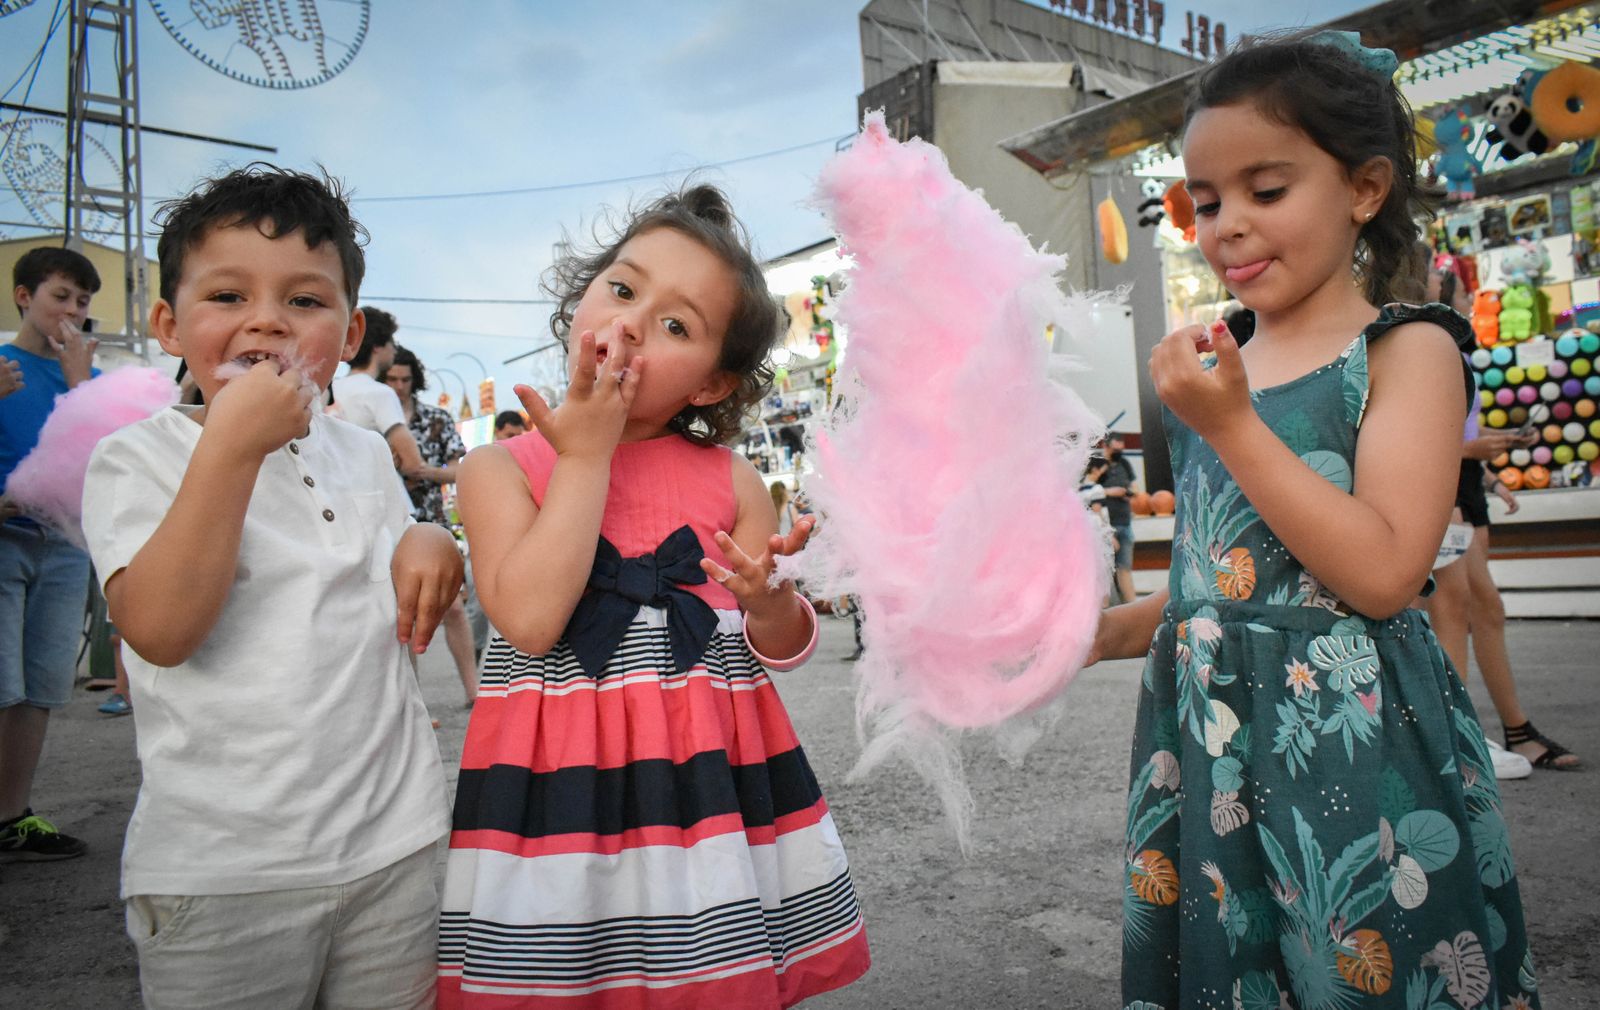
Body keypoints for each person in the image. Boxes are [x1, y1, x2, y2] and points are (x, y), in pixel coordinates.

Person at [1090, 34, 1540, 1006]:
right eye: (1206, 202)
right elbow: (1219, 582)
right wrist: (1087, 633)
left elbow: (1380, 572)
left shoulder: (1405, 349)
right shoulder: (1221, 358)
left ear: (1364, 189)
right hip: (1214, 753)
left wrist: (1230, 421)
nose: (1227, 227)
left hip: (1346, 745)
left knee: (1359, 965)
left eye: (1266, 189)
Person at [439, 184, 869, 1009]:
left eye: (676, 326)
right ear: (583, 295)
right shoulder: (498, 468)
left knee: (703, 969)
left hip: (704, 782)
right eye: (623, 289)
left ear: (712, 386)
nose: (632, 323)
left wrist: (771, 601)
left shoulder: (732, 478)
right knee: (565, 964)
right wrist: (586, 456)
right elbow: (528, 620)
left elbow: (767, 646)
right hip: (558, 780)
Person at [80, 164, 459, 1009]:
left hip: (391, 848)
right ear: (170, 325)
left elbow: (401, 557)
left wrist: (430, 536)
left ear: (349, 331)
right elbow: (161, 629)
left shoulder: (362, 455)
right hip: (224, 876)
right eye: (227, 297)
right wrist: (231, 445)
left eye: (304, 301)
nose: (265, 320)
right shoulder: (136, 459)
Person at [1421, 264, 1578, 775]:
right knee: (1456, 606)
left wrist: (1484, 472)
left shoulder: (1444, 347)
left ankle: (1508, 730)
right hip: (1437, 487)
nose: (1460, 294)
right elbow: (1415, 433)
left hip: (1457, 485)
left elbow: (1447, 430)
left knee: (1480, 606)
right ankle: (1463, 739)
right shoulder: (1415, 343)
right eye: (1442, 279)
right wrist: (1472, 454)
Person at [0, 246, 101, 863]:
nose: (72, 311)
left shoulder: (81, 375)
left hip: (64, 545)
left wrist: (77, 386)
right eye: (60, 296)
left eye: (83, 301)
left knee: (40, 686)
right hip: (5, 540)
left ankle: (14, 815)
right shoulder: (2, 366)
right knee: (2, 683)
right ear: (23, 297)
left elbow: (103, 461)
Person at [384, 343, 478, 701]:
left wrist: (426, 472)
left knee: (453, 607)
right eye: (391, 378)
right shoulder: (374, 418)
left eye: (405, 379)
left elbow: (459, 469)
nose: (398, 386)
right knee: (402, 612)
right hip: (390, 524)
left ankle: (474, 691)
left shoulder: (435, 419)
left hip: (432, 523)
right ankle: (414, 701)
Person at [331, 305, 433, 484]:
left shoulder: (330, 389)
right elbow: (413, 464)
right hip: (379, 498)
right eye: (391, 342)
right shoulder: (380, 393)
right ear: (377, 347)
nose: (394, 349)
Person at [1097, 433, 1139, 603]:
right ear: (1105, 447)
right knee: (1104, 572)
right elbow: (1085, 490)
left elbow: (1135, 489)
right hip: (1104, 524)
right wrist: (1109, 491)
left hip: (1125, 522)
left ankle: (1133, 610)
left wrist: (1127, 493)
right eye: (1115, 449)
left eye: (1121, 449)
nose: (1119, 452)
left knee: (1125, 568)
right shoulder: (1096, 466)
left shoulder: (1124, 464)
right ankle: (1105, 613)